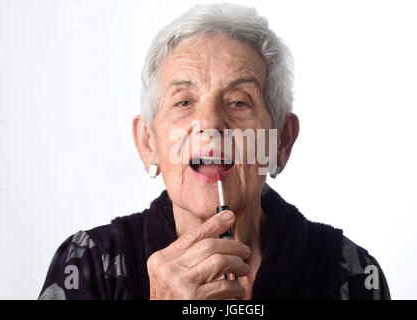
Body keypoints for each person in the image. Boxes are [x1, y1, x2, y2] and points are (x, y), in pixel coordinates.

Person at [39, 3, 390, 300]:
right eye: (183, 101)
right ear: (149, 143)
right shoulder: (88, 264)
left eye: (239, 102)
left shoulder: (351, 274)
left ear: (280, 141)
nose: (209, 123)